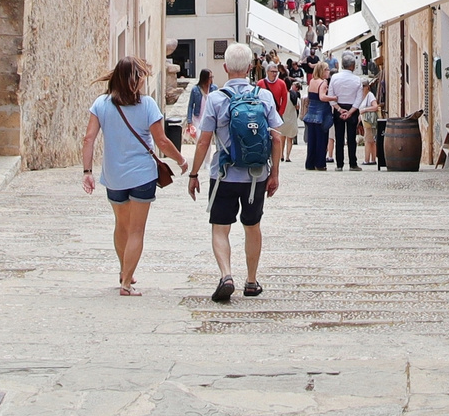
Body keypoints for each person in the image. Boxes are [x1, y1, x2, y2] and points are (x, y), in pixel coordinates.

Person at [82, 57, 188, 296]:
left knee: (121, 225)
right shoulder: (148, 105)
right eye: (141, 76)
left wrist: (87, 172)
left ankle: (123, 270)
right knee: (136, 230)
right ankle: (126, 283)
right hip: (142, 176)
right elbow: (161, 140)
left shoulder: (101, 104)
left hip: (114, 176)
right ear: (135, 79)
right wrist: (180, 160)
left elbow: (88, 139)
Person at [188, 43, 284, 302]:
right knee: (252, 226)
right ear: (252, 67)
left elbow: (204, 141)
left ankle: (226, 275)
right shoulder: (263, 97)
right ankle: (251, 281)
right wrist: (274, 173)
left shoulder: (217, 99)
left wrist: (194, 174)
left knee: (221, 228)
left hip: (224, 175)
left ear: (226, 67)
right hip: (256, 176)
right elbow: (277, 138)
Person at [329, 52, 366, 171]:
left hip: (338, 108)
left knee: (339, 138)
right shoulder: (357, 80)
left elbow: (331, 96)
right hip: (352, 108)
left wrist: (339, 109)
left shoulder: (334, 77)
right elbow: (359, 98)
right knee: (351, 138)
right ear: (353, 66)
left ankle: (339, 164)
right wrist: (350, 112)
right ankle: (353, 163)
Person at [302, 61, 332, 170]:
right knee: (321, 140)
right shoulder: (323, 82)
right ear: (322, 71)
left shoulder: (312, 82)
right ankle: (320, 164)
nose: (328, 72)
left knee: (312, 141)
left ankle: (310, 163)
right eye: (327, 69)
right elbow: (322, 97)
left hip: (311, 113)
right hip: (321, 114)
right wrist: (334, 97)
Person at [359, 83, 380, 165]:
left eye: (363, 86)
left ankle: (367, 160)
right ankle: (373, 159)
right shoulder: (362, 96)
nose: (361, 88)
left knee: (368, 140)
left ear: (367, 87)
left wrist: (365, 109)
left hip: (370, 121)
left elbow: (375, 106)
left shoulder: (370, 95)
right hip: (366, 121)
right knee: (371, 141)